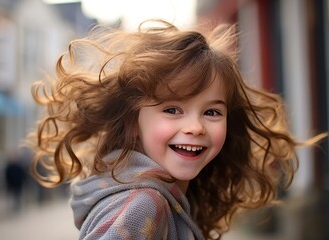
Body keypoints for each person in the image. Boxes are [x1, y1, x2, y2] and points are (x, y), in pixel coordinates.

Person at [26, 19, 325, 239]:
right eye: (172, 109)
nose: (195, 127)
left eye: (211, 112)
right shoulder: (142, 205)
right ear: (133, 121)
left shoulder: (165, 195)